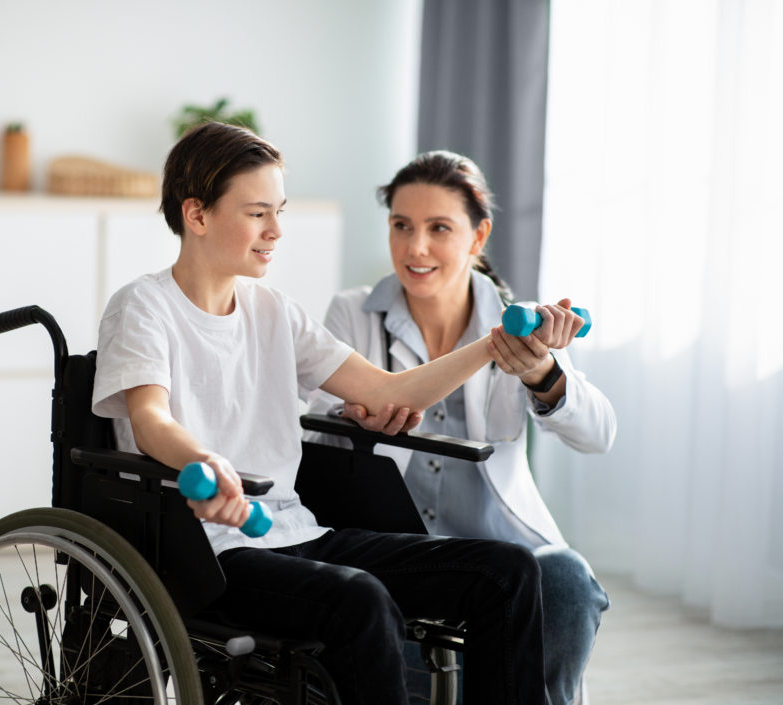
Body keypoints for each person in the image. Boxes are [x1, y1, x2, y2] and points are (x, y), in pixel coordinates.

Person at [92, 123, 583, 704]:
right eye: (257, 214)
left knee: (508, 573)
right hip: (206, 551)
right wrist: (206, 461)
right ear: (196, 214)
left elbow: (387, 392)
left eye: (278, 212)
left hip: (295, 531)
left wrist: (495, 344)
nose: (276, 231)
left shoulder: (274, 310)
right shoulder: (143, 306)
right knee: (361, 598)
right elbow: (151, 420)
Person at [306, 150, 616, 705]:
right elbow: (311, 435)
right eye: (401, 226)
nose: (415, 248)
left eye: (439, 228)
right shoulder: (352, 313)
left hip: (502, 550)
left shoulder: (520, 325)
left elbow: (598, 434)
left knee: (566, 578)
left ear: (479, 236)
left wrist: (544, 375)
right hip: (398, 555)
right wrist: (352, 419)